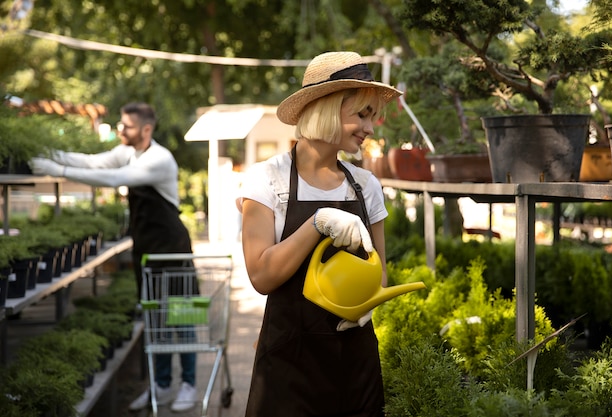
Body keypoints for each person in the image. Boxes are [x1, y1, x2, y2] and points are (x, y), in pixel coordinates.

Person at [236, 51, 402, 417]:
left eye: (371, 116)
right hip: (288, 362)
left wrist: (365, 302)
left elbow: (381, 271)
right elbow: (262, 276)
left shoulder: (365, 186)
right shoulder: (268, 180)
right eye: (361, 115)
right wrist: (316, 224)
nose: (371, 128)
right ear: (327, 109)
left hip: (354, 361)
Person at [29, 102, 198, 413]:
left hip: (172, 248)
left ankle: (189, 383)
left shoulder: (159, 159)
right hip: (146, 247)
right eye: (121, 125)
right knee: (154, 319)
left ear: (146, 130)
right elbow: (95, 163)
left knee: (182, 316)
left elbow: (112, 178)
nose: (120, 130)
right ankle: (160, 387)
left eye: (127, 126)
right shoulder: (127, 151)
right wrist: (51, 154)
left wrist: (60, 172)